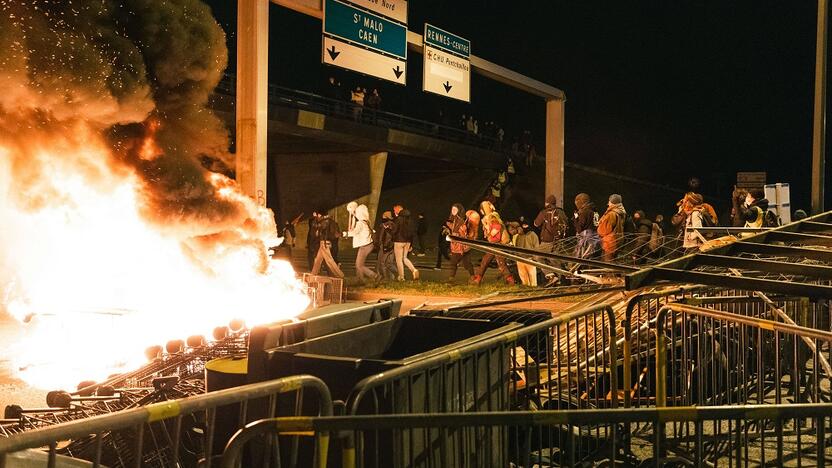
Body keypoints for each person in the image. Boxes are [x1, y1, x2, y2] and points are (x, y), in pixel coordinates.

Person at [471, 200, 515, 285]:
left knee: (500, 262)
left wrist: (489, 231)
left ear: (482, 210)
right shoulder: (489, 218)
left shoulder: (492, 218)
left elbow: (496, 229)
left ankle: (510, 280)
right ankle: (478, 279)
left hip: (498, 244)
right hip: (494, 245)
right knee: (485, 261)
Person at [534, 195, 569, 285]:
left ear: (547, 203)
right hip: (559, 240)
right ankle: (561, 280)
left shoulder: (544, 212)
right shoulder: (561, 212)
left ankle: (551, 275)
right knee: (554, 259)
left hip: (547, 240)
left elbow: (536, 224)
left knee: (537, 256)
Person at [344, 202, 377, 282]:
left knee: (359, 265)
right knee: (359, 264)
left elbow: (355, 232)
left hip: (365, 246)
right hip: (367, 245)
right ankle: (360, 280)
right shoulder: (365, 222)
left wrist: (345, 234)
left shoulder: (360, 223)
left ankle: (375, 276)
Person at [445, 204, 475, 282]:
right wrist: (448, 230)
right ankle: (451, 278)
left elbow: (463, 233)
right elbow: (453, 229)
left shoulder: (461, 220)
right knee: (455, 262)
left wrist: (456, 235)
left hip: (461, 245)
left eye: (455, 210)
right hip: (455, 245)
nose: (453, 211)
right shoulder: (453, 219)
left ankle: (473, 277)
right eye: (452, 209)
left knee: (466, 263)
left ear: (459, 211)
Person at [310, 211, 344, 278]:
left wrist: (315, 219)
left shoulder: (325, 222)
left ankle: (340, 275)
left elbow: (317, 229)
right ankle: (313, 274)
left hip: (325, 243)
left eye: (318, 215)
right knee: (318, 260)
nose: (317, 216)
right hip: (323, 242)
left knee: (329, 261)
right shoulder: (329, 221)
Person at [392, 204, 419, 281]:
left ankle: (401, 277)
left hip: (399, 241)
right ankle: (414, 270)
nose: (394, 212)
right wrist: (411, 244)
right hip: (408, 241)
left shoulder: (398, 219)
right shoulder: (410, 219)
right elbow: (412, 232)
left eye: (394, 210)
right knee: (405, 258)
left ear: (398, 210)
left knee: (399, 260)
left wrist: (391, 233)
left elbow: (394, 231)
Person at [597, 194, 626, 262]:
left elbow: (604, 230)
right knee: (612, 261)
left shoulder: (611, 214)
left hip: (609, 242)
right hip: (618, 239)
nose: (608, 203)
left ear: (613, 202)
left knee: (607, 263)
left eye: (609, 201)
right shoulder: (621, 212)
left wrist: (600, 225)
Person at [508, 222, 539, 286]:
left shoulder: (532, 234)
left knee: (532, 276)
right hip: (520, 259)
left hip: (530, 258)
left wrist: (535, 257)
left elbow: (536, 246)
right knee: (523, 276)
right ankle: (526, 287)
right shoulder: (517, 237)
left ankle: (534, 288)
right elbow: (517, 248)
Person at [574, 193, 600, 259]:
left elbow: (579, 227)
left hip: (585, 238)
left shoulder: (584, 212)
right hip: (595, 237)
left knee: (581, 257)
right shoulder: (595, 211)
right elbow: (597, 224)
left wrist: (576, 218)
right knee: (591, 257)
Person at [374, 211, 397, 280]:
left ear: (386, 217)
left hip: (385, 246)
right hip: (390, 246)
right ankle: (394, 276)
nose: (382, 217)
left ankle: (384, 277)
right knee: (389, 263)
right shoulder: (392, 224)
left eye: (383, 216)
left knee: (381, 262)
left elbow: (386, 236)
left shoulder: (387, 225)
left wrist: (384, 246)